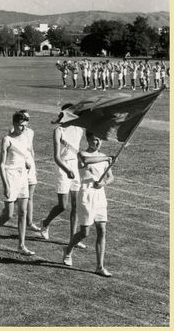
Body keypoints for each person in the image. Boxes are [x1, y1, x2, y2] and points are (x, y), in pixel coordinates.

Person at [62, 132, 114, 277]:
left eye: (99, 140)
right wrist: (107, 158)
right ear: (88, 140)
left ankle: (100, 266)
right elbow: (85, 160)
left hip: (100, 196)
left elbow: (111, 177)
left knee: (102, 230)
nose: (97, 143)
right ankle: (68, 249)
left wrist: (104, 182)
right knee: (85, 232)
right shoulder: (82, 154)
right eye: (94, 140)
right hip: (86, 195)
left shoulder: (104, 158)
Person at [40, 104, 86, 248]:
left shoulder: (79, 129)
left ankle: (73, 238)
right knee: (63, 205)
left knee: (75, 205)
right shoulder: (58, 131)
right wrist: (66, 170)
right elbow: (56, 157)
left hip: (74, 167)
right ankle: (45, 223)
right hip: (62, 167)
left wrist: (81, 162)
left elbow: (77, 150)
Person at [0, 112, 35, 255]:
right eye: (20, 125)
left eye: (25, 126)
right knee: (9, 214)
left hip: (23, 175)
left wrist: (28, 163)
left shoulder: (27, 138)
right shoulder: (7, 139)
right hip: (10, 176)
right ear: (14, 124)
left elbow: (27, 154)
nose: (22, 128)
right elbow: (2, 164)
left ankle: (21, 245)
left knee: (23, 211)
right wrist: (5, 185)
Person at [18, 110, 40, 231]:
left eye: (28, 119)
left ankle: (30, 222)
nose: (27, 121)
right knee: (18, 196)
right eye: (25, 118)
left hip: (30, 164)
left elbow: (31, 149)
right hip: (20, 165)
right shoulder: (14, 132)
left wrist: (34, 165)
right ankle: (6, 213)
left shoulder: (31, 132)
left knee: (30, 195)